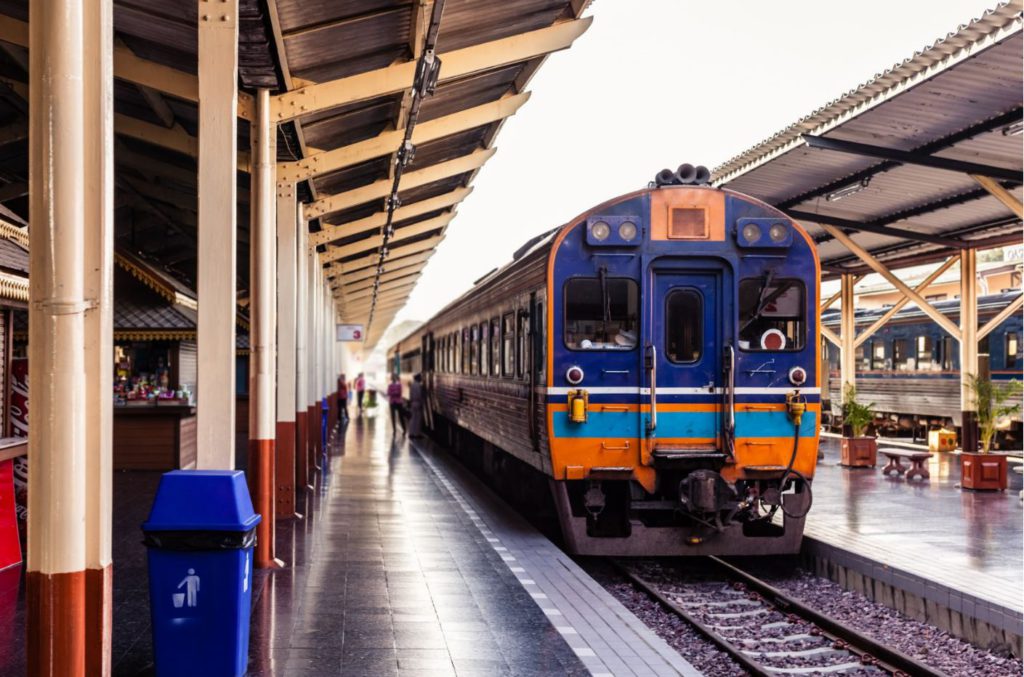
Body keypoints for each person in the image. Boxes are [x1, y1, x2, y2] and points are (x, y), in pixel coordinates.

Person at [408, 373, 424, 438]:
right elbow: (419, 395)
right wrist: (421, 403)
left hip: (413, 402)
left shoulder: (412, 385)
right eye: (420, 378)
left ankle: (411, 433)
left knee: (413, 418)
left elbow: (410, 394)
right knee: (418, 419)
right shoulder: (418, 386)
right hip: (417, 403)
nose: (421, 379)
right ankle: (417, 434)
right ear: (418, 378)